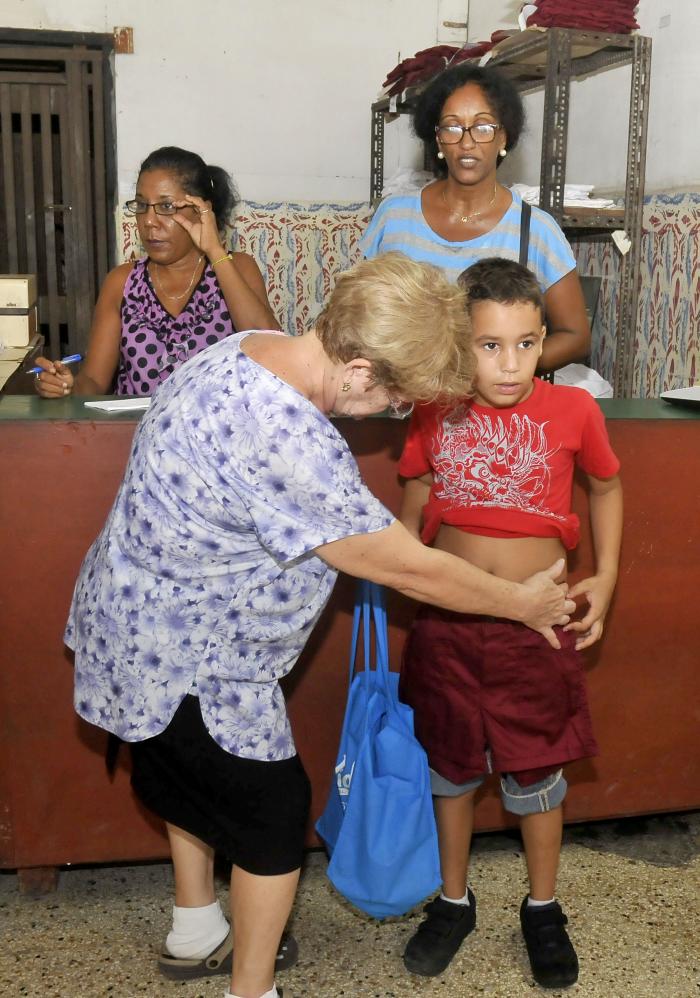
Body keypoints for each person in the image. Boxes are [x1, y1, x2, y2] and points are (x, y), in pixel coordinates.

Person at [65, 253, 575, 998]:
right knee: (271, 819)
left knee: (186, 781)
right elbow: (406, 565)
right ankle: (253, 990)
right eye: (398, 399)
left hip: (126, 619)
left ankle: (196, 924)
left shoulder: (247, 346)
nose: (392, 413)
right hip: (189, 658)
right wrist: (523, 603)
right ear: (363, 371)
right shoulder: (292, 437)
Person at [397, 257, 623, 989]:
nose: (511, 362)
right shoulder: (433, 407)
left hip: (537, 623)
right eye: (490, 345)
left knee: (538, 772)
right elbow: (417, 486)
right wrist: (402, 565)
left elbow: (608, 485)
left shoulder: (573, 412)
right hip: (450, 620)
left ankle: (543, 907)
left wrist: (610, 575)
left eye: (526, 343)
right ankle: (455, 900)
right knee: (451, 766)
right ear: (460, 341)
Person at [360, 63, 591, 372]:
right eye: (453, 127)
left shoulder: (535, 230)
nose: (467, 143)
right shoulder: (394, 217)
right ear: (439, 140)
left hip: (495, 413)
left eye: (482, 127)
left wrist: (501, 371)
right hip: (404, 405)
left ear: (503, 138)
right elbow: (359, 312)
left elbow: (575, 337)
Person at [34, 146, 277, 398]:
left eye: (167, 206)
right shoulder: (122, 282)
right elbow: (94, 380)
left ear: (202, 211)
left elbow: (270, 349)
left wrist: (215, 251)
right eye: (142, 205)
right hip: (134, 432)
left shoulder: (236, 268)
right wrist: (67, 386)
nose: (149, 221)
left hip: (216, 434)